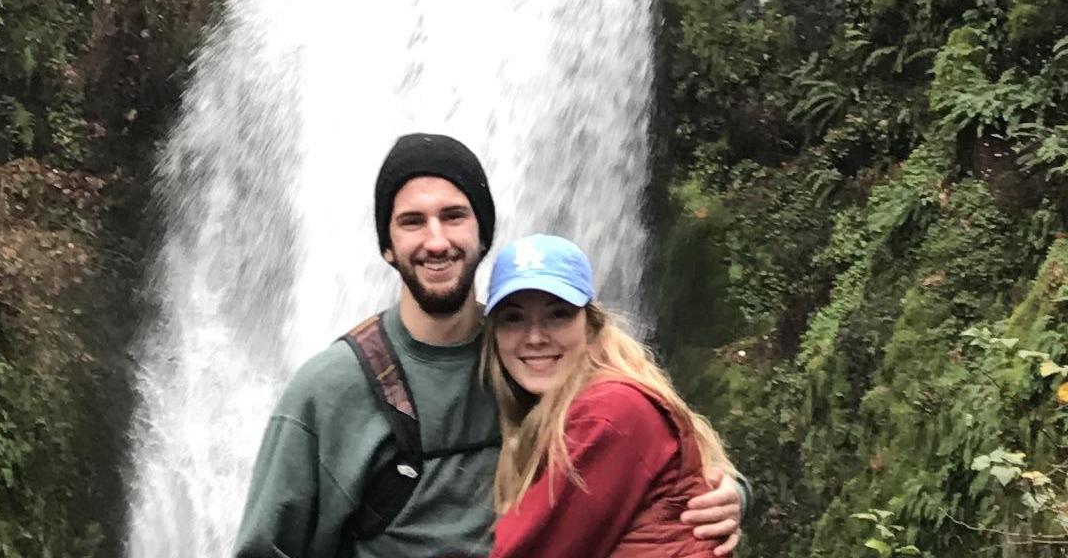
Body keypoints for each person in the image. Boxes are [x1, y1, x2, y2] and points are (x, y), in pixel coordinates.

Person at [233, 137, 745, 558]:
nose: (436, 241)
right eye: (412, 221)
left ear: (483, 235)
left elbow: (655, 440)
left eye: (454, 216)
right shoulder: (329, 389)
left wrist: (729, 494)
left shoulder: (534, 358)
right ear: (387, 246)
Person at [483, 234, 732, 558]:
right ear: (494, 334)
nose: (535, 337)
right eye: (513, 318)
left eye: (557, 314)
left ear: (592, 325)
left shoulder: (611, 412)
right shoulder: (580, 403)